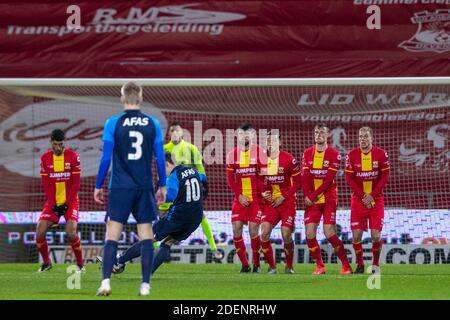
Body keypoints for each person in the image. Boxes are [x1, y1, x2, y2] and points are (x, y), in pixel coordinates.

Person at [94, 82, 166, 296]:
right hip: (144, 187)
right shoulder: (153, 123)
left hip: (120, 187)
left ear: (122, 98)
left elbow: (106, 157)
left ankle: (106, 282)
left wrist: (98, 185)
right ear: (141, 98)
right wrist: (162, 185)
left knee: (112, 235)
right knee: (146, 236)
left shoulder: (112, 123)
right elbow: (160, 159)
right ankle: (145, 285)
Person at [101, 153, 204, 275]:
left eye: (161, 168)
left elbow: (170, 196)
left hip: (178, 217)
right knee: (167, 243)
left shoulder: (173, 177)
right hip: (196, 218)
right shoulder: (193, 170)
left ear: (167, 164)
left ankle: (119, 262)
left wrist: (157, 198)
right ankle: (148, 273)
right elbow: (204, 179)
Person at [164, 122, 222, 259]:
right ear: (169, 133)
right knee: (162, 215)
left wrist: (204, 184)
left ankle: (214, 248)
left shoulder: (190, 148)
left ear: (182, 133)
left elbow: (200, 168)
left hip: (187, 189)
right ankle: (157, 249)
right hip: (171, 188)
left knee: (200, 216)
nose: (174, 134)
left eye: (177, 131)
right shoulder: (164, 149)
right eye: (172, 131)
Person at [301, 123, 352, 275]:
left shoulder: (334, 153)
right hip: (312, 200)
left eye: (322, 132)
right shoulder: (307, 153)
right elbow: (304, 178)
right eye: (317, 132)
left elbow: (329, 179)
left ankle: (346, 266)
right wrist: (308, 196)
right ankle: (320, 266)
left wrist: (312, 196)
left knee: (329, 232)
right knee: (309, 233)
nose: (319, 135)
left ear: (328, 135)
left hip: (328, 199)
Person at [36, 129, 84, 272]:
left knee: (71, 232)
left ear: (65, 143)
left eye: (61, 144)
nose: (58, 148)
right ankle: (46, 262)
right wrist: (53, 204)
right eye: (55, 144)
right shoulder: (45, 158)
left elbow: (76, 185)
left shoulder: (73, 156)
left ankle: (80, 264)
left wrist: (66, 204)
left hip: (70, 202)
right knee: (40, 232)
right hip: (53, 202)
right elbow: (45, 184)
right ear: (51, 142)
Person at [345, 127, 390, 274]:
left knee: (376, 236)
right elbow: (349, 179)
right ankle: (359, 264)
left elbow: (385, 176)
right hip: (358, 200)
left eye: (365, 136)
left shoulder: (381, 154)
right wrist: (364, 197)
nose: (362, 139)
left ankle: (375, 265)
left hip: (376, 200)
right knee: (356, 235)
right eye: (360, 137)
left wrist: (372, 195)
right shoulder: (351, 155)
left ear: (371, 138)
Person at [258, 131, 301, 274]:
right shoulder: (262, 160)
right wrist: (264, 192)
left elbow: (298, 183)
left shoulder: (289, 159)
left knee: (286, 234)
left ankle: (289, 266)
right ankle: (272, 267)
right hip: (271, 204)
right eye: (268, 141)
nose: (271, 144)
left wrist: (284, 196)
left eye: (274, 141)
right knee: (264, 233)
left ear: (280, 143)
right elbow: (260, 181)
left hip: (287, 202)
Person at [226, 123, 263, 273]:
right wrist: (239, 196)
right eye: (241, 134)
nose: (244, 136)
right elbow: (230, 179)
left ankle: (257, 264)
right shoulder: (231, 155)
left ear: (253, 136)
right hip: (240, 199)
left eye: (247, 134)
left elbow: (265, 177)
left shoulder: (261, 153)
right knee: (236, 230)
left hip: (256, 200)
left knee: (254, 231)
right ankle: (244, 264)